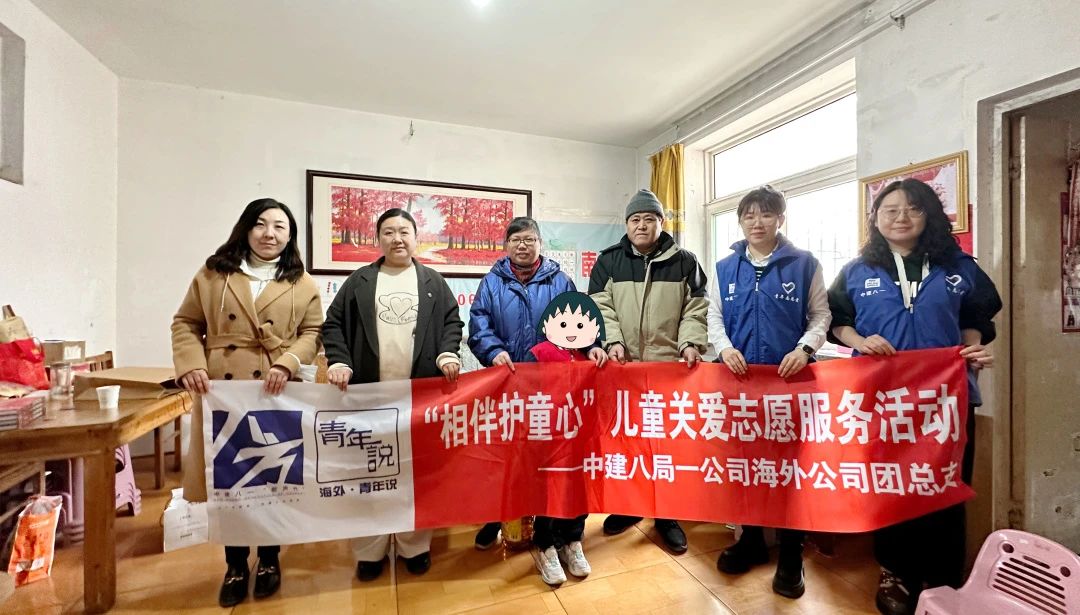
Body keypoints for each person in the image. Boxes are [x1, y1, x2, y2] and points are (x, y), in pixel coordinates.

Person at [827, 178, 1001, 615]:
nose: (901, 217)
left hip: (947, 400)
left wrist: (971, 347)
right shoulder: (858, 270)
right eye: (890, 210)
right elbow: (835, 320)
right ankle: (896, 571)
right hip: (882, 400)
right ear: (876, 219)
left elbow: (977, 317)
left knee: (944, 484)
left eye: (912, 208)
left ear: (930, 215)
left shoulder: (958, 267)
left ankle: (943, 575)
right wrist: (860, 340)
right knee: (891, 485)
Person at [171, 198, 324, 608]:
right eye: (260, 224)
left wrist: (289, 362)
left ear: (290, 236)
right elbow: (186, 323)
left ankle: (270, 558)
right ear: (246, 228)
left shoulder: (302, 282)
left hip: (276, 391)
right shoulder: (213, 274)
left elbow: (313, 333)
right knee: (230, 478)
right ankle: (235, 564)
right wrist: (191, 363)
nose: (269, 234)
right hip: (223, 391)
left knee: (274, 476)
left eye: (279, 226)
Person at [321, 207, 463, 582]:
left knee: (417, 475)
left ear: (416, 238)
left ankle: (415, 546)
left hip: (419, 399)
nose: (397, 238)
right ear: (377, 239)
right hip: (370, 397)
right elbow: (332, 324)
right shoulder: (361, 280)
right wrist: (340, 360)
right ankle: (370, 551)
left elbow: (452, 322)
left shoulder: (433, 281)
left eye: (404, 231)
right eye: (388, 232)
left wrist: (448, 353)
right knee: (370, 476)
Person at [707, 185, 831, 599]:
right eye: (749, 215)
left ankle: (792, 555)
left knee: (790, 472)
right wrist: (724, 348)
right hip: (740, 385)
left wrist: (804, 349)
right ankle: (751, 541)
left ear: (781, 218)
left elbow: (821, 315)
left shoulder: (805, 263)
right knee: (746, 467)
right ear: (740, 221)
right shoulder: (725, 267)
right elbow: (714, 316)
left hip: (790, 384)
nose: (756, 222)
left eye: (765, 214)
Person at [589, 188, 709, 554]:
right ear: (627, 224)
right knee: (628, 442)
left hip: (668, 369)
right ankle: (631, 505)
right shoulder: (608, 261)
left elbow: (697, 308)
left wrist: (690, 342)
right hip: (623, 370)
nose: (641, 225)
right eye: (635, 219)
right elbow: (600, 306)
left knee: (666, 444)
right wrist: (612, 341)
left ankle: (667, 515)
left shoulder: (685, 261)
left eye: (649, 219)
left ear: (661, 222)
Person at [466, 216, 578, 549]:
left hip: (549, 387)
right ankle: (496, 517)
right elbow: (479, 325)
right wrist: (494, 351)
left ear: (540, 243)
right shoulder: (492, 282)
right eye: (516, 240)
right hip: (507, 383)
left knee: (546, 457)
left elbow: (577, 325)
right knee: (504, 457)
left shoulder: (561, 282)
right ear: (506, 246)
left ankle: (546, 528)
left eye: (529, 239)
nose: (522, 245)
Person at [523, 291, 607, 584]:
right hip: (550, 441)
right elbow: (525, 394)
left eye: (580, 324)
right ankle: (546, 545)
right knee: (550, 492)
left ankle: (572, 541)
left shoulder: (590, 355)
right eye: (564, 323)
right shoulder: (537, 353)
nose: (572, 330)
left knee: (579, 490)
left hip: (582, 440)